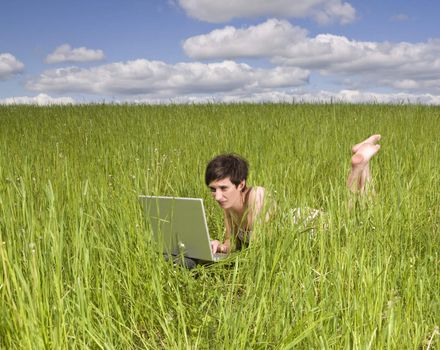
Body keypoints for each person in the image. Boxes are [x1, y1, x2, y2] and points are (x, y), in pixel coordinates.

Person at [207, 134, 381, 254]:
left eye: (223, 188)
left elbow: (262, 247)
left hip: (307, 225)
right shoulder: (228, 205)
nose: (217, 196)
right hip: (298, 232)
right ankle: (362, 159)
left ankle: (358, 166)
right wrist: (219, 246)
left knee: (355, 223)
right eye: (213, 190)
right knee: (358, 220)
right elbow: (232, 245)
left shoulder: (257, 196)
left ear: (241, 184)